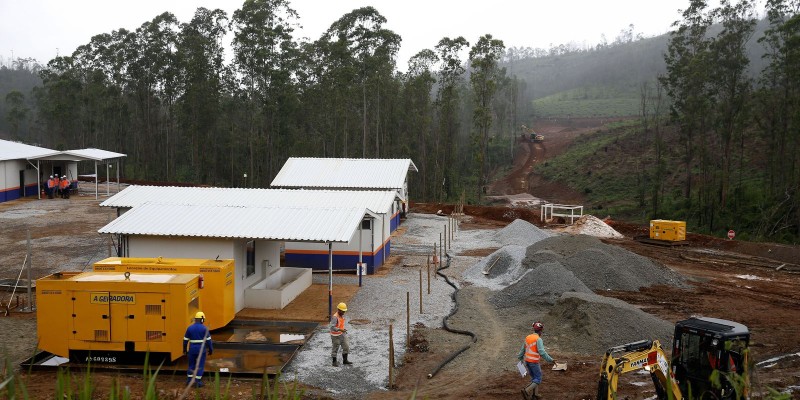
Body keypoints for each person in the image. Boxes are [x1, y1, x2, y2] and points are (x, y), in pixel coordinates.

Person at [518, 321, 555, 400]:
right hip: (534, 362)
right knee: (538, 379)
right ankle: (526, 390)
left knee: (534, 378)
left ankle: (535, 395)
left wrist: (520, 359)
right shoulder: (538, 339)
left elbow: (522, 350)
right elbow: (542, 352)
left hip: (527, 361)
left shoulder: (528, 337)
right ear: (540, 331)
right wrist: (551, 360)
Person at [183, 311, 213, 388]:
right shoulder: (204, 328)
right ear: (202, 319)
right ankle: (197, 382)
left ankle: (189, 381)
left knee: (191, 365)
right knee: (200, 366)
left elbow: (185, 340)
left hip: (192, 350)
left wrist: (184, 349)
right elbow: (209, 341)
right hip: (201, 351)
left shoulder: (189, 328)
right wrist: (210, 349)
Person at [330, 302, 353, 366]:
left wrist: (343, 330)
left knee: (346, 346)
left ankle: (345, 360)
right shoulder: (335, 317)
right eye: (343, 311)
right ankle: (334, 362)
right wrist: (340, 329)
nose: (344, 312)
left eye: (344, 311)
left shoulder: (341, 315)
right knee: (335, 348)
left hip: (342, 334)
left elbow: (340, 325)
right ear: (339, 310)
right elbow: (332, 327)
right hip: (335, 336)